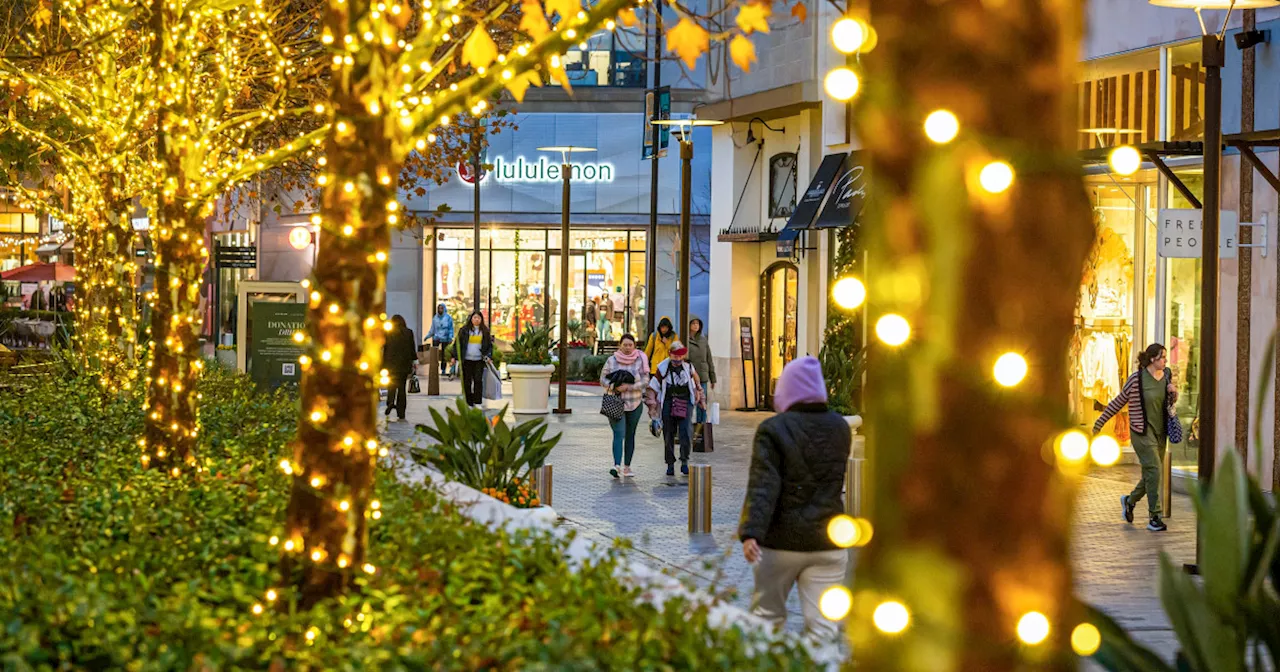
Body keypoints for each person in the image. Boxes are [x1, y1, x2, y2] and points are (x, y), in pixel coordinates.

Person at [738, 356, 850, 637]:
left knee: (767, 621)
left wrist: (751, 532)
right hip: (829, 542)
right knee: (824, 628)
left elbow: (763, 485)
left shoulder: (773, 429)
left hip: (780, 544)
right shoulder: (840, 428)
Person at [1094, 343, 1178, 532]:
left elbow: (1169, 404)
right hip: (1141, 432)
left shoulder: (1166, 377)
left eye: (1165, 357)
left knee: (1152, 473)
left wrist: (1174, 393)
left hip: (1160, 432)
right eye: (1162, 357)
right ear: (1152, 359)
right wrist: (1100, 423)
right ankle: (1154, 517)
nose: (1165, 360)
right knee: (1154, 470)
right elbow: (1118, 402)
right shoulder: (1136, 380)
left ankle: (1130, 501)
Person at [600, 334, 650, 479]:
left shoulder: (640, 360)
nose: (627, 348)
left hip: (635, 403)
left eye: (630, 345)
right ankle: (616, 465)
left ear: (634, 346)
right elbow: (602, 379)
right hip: (616, 402)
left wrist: (630, 387)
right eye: (625, 345)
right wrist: (614, 387)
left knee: (630, 434)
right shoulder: (612, 360)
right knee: (619, 433)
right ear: (619, 345)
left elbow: (646, 380)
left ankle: (627, 466)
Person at [650, 341, 704, 476]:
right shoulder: (662, 368)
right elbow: (652, 388)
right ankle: (670, 463)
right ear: (670, 354)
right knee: (668, 433)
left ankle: (684, 460)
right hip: (669, 401)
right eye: (676, 355)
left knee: (686, 432)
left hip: (685, 402)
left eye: (681, 355)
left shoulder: (689, 367)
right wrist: (652, 406)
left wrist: (701, 397)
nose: (678, 359)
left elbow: (697, 382)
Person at [644, 316, 679, 436]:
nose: (664, 329)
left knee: (666, 396)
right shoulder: (654, 336)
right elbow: (648, 352)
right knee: (656, 396)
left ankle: (664, 419)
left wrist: (666, 344)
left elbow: (675, 351)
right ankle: (656, 419)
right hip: (656, 369)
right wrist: (643, 365)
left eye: (666, 327)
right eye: (662, 327)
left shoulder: (674, 337)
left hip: (668, 370)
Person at [381, 315, 418, 422]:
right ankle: (401, 412)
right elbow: (412, 349)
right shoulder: (408, 332)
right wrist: (414, 362)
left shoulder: (388, 333)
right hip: (404, 365)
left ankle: (390, 402)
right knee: (402, 388)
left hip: (390, 364)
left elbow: (384, 348)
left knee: (391, 384)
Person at [454, 312, 494, 407]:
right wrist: (454, 357)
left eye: (478, 318)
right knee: (467, 381)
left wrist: (489, 356)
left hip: (479, 360)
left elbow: (489, 345)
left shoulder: (484, 331)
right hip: (467, 360)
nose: (476, 320)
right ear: (471, 319)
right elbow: (457, 344)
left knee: (478, 381)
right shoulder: (464, 330)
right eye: (475, 317)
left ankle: (477, 402)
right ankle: (468, 402)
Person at [686, 318, 717, 427]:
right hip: (689, 376)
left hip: (702, 375)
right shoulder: (685, 340)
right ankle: (687, 427)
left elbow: (709, 359)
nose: (695, 325)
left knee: (702, 403)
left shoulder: (703, 340)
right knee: (689, 403)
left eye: (697, 323)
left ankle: (701, 427)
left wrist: (713, 378)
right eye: (693, 323)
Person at [428, 303, 455, 379]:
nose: (440, 310)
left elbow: (450, 328)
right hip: (437, 337)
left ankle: (443, 368)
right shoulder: (435, 318)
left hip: (446, 338)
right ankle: (435, 368)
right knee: (435, 353)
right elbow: (433, 328)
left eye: (441, 308)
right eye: (439, 308)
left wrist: (450, 336)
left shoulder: (448, 318)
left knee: (444, 354)